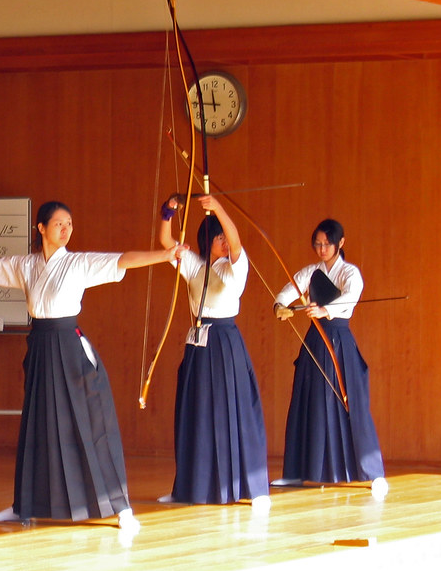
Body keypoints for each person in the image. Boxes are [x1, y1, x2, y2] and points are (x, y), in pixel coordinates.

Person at [0, 200, 185, 534]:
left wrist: (165, 255)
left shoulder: (78, 263)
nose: (66, 229)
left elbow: (123, 260)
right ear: (41, 228)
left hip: (69, 348)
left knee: (91, 423)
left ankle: (121, 507)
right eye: (59, 223)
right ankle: (23, 506)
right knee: (37, 426)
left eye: (69, 223)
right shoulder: (25, 265)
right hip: (41, 346)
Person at [157, 194, 269, 510]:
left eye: (223, 235)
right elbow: (166, 240)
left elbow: (235, 245)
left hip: (224, 340)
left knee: (234, 411)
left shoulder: (236, 267)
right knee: (196, 412)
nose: (223, 240)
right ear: (207, 239)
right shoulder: (195, 264)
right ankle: (191, 487)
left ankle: (250, 487)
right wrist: (169, 210)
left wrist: (217, 207)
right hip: (198, 342)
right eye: (216, 235)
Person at [272, 219, 387, 499]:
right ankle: (299, 471)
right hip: (315, 342)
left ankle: (372, 473)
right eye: (317, 244)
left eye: (327, 244)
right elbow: (288, 291)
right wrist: (280, 306)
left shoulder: (350, 273)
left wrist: (324, 309)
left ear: (340, 243)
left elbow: (350, 297)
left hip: (338, 342)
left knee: (349, 404)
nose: (322, 249)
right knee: (309, 402)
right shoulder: (311, 272)